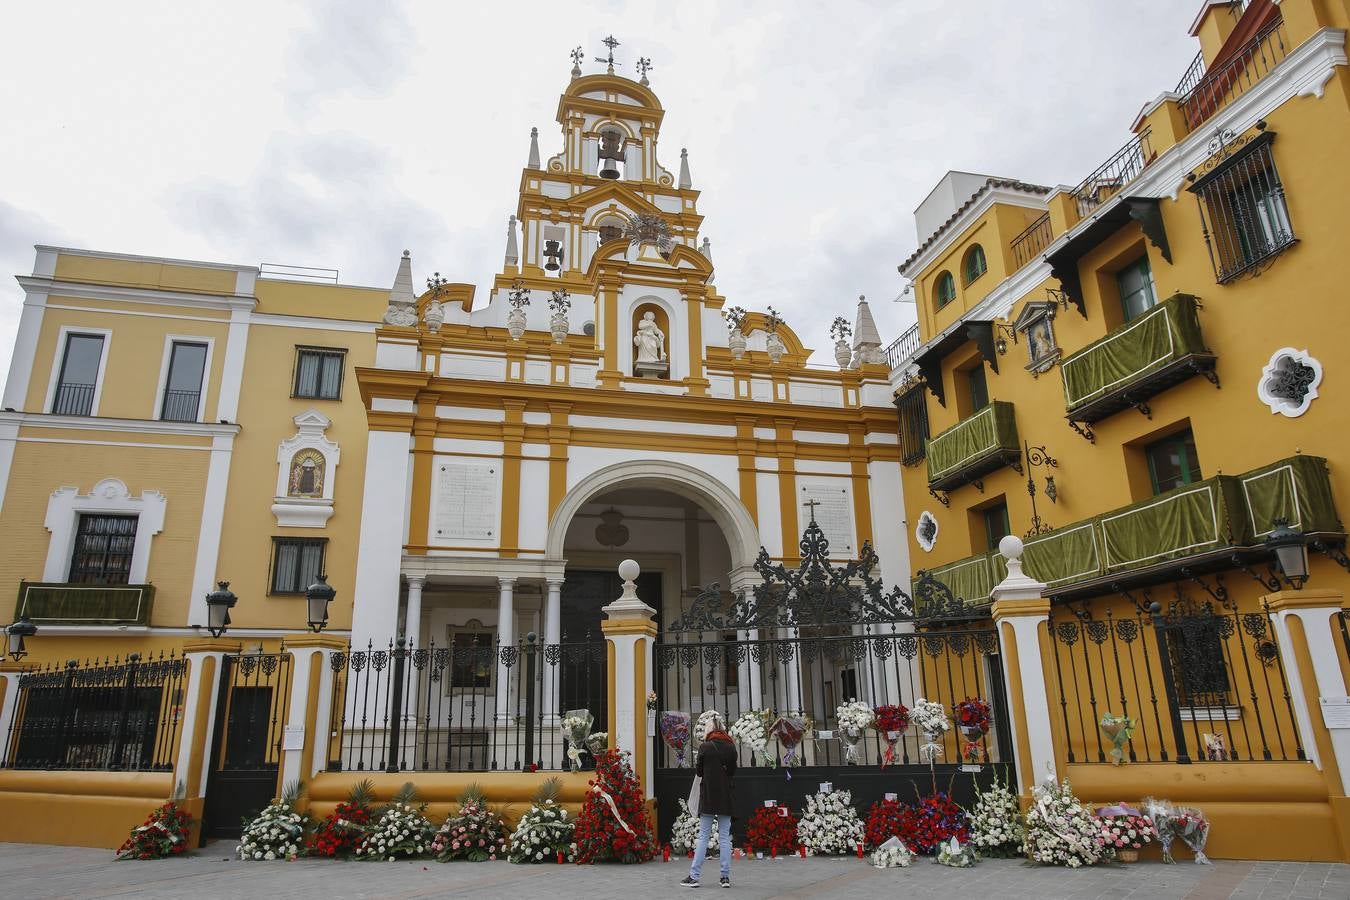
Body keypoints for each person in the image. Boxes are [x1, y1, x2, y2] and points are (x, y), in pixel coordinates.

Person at [680, 713, 736, 889]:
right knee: (725, 837)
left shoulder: (705, 747)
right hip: (725, 796)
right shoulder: (730, 746)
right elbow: (732, 771)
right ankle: (725, 878)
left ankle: (694, 876)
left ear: (711, 729)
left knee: (703, 836)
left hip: (709, 796)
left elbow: (699, 772)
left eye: (706, 727)